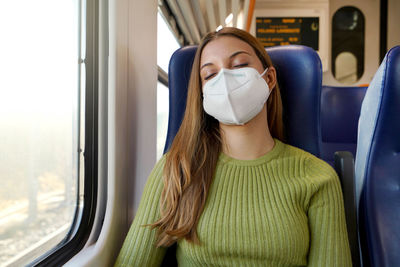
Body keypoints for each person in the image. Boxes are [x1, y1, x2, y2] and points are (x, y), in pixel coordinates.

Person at [114, 27, 352, 266]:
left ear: (268, 79)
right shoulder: (178, 169)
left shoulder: (318, 177)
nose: (225, 81)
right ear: (204, 95)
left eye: (239, 66)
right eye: (210, 76)